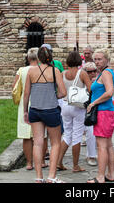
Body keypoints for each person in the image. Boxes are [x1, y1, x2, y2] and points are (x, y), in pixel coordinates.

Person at [23, 46, 67, 183]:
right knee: (55, 143)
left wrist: (25, 111)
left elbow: (26, 94)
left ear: (38, 57)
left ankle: (38, 177)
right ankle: (52, 176)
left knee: (38, 143)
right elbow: (63, 92)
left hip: (35, 110)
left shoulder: (31, 71)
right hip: (51, 109)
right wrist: (54, 96)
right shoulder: (55, 71)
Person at [57, 51, 92, 173]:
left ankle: (59, 161)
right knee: (77, 135)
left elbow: (60, 90)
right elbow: (90, 89)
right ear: (79, 61)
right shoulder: (82, 73)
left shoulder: (63, 73)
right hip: (78, 106)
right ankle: (75, 165)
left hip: (65, 105)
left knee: (67, 134)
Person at [87, 50, 114, 183]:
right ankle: (110, 174)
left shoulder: (105, 73)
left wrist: (93, 103)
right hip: (107, 112)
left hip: (103, 112)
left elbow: (110, 92)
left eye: (100, 59)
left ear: (106, 59)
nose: (97, 61)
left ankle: (100, 177)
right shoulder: (105, 73)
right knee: (108, 145)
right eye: (96, 59)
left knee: (102, 146)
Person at [12, 47, 39, 170]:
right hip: (39, 101)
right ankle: (42, 161)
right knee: (40, 134)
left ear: (28, 58)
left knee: (26, 135)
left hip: (25, 102)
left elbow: (14, 87)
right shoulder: (42, 70)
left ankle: (29, 163)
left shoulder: (21, 70)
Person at [82, 62, 98, 166]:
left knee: (92, 131)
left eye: (94, 71)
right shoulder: (81, 82)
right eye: (90, 71)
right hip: (82, 108)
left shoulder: (98, 81)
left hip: (95, 108)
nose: (92, 73)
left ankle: (91, 155)